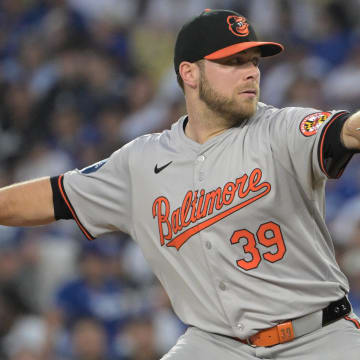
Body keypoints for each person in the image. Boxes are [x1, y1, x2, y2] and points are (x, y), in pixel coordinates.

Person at [1, 8, 360, 359]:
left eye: (253, 61)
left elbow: (346, 130)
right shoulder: (141, 162)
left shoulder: (282, 128)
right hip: (218, 344)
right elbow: (51, 197)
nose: (250, 72)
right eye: (233, 62)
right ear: (189, 72)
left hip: (319, 335)